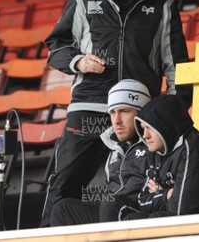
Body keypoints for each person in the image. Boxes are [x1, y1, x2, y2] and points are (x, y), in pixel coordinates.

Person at [41, 0, 191, 226]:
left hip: (139, 112)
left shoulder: (163, 5)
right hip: (90, 106)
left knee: (135, 188)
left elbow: (176, 63)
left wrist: (171, 109)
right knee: (64, 183)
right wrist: (79, 61)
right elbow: (55, 49)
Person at [50, 79, 151, 226]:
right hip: (111, 211)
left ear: (142, 114)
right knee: (63, 208)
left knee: (110, 205)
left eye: (124, 111)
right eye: (112, 112)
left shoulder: (155, 144)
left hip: (140, 212)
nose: (116, 121)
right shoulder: (113, 149)